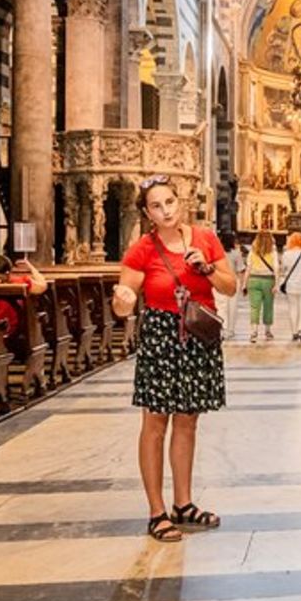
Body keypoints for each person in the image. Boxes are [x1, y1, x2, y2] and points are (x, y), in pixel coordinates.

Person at [112, 175, 236, 543]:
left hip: (198, 333)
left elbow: (231, 286)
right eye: (156, 205)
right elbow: (124, 300)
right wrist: (123, 300)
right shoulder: (142, 250)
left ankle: (183, 504)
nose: (165, 210)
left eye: (169, 202)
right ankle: (156, 511)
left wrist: (208, 268)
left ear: (179, 203)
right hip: (162, 336)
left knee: (188, 422)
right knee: (155, 424)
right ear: (147, 213)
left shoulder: (206, 239)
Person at [245, 230, 278, 342]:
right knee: (268, 306)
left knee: (254, 307)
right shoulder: (273, 252)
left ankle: (254, 331)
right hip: (268, 280)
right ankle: (267, 331)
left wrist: (244, 284)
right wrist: (277, 284)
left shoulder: (253, 251)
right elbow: (276, 269)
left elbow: (248, 268)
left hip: (254, 279)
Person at [216, 233, 246, 340]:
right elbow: (240, 270)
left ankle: (222, 328)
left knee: (220, 306)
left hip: (219, 280)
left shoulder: (217, 253)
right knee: (232, 307)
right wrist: (243, 284)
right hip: (233, 281)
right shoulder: (236, 253)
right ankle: (231, 330)